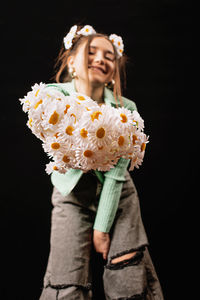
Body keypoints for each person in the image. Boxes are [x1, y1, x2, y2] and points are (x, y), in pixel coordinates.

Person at [39, 24, 164, 300]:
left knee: (128, 271)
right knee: (65, 281)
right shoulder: (51, 97)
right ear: (72, 61)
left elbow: (117, 175)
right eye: (92, 52)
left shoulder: (125, 109)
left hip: (119, 196)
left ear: (114, 69)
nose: (100, 59)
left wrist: (101, 228)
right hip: (70, 194)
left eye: (109, 56)